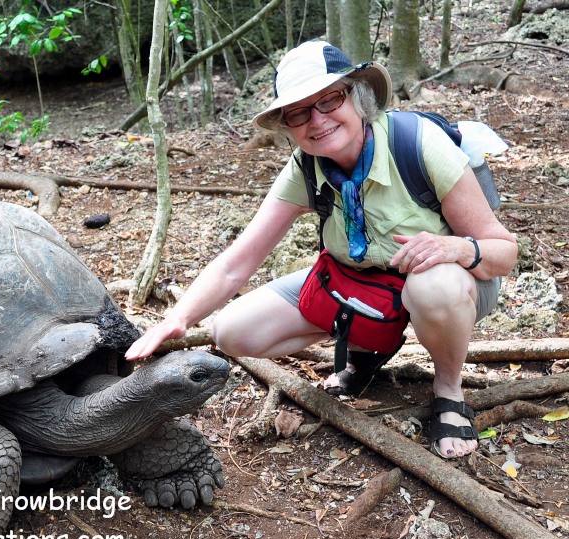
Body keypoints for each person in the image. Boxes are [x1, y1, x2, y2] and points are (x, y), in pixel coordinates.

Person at [125, 41, 518, 459]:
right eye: (298, 112)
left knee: (432, 286)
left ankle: (448, 390)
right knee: (231, 332)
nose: (317, 120)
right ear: (287, 126)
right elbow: (237, 263)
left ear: (357, 96)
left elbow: (504, 251)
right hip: (363, 285)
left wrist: (452, 247)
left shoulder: (417, 144)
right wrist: (178, 319)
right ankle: (369, 349)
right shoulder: (305, 167)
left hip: (452, 287)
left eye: (330, 99)